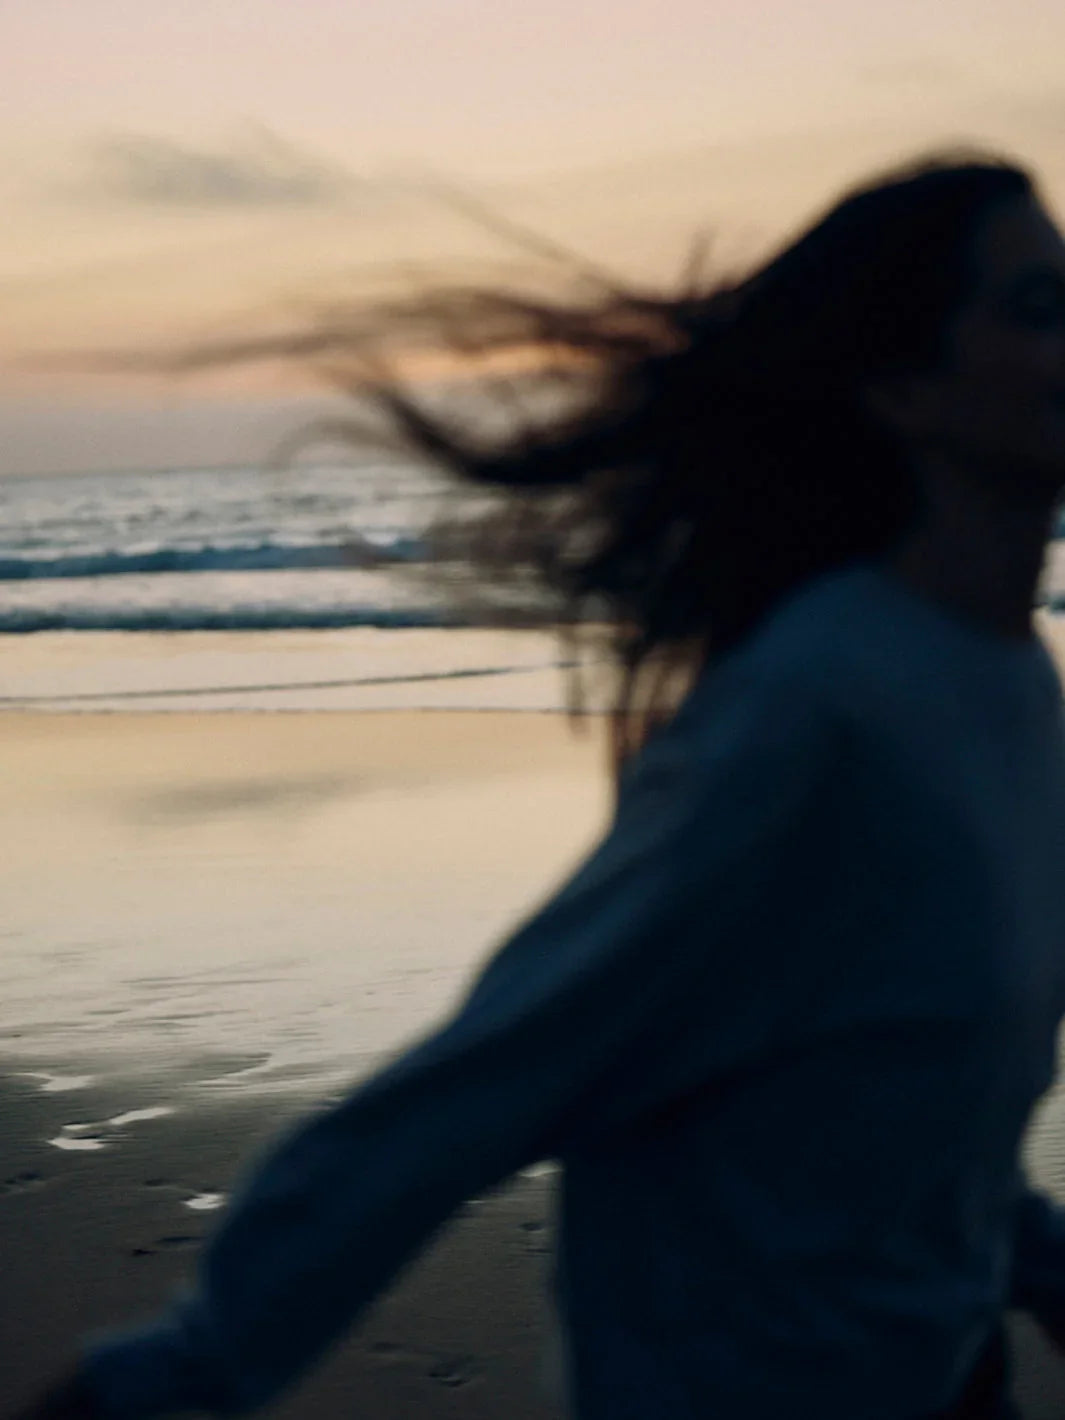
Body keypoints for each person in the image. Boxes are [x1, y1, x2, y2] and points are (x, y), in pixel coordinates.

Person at [13, 147, 1065, 1420]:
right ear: (902, 385)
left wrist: (1036, 1264)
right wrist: (184, 1372)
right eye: (1037, 307)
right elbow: (491, 1071)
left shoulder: (1011, 679)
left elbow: (905, 1082)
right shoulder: (809, 708)